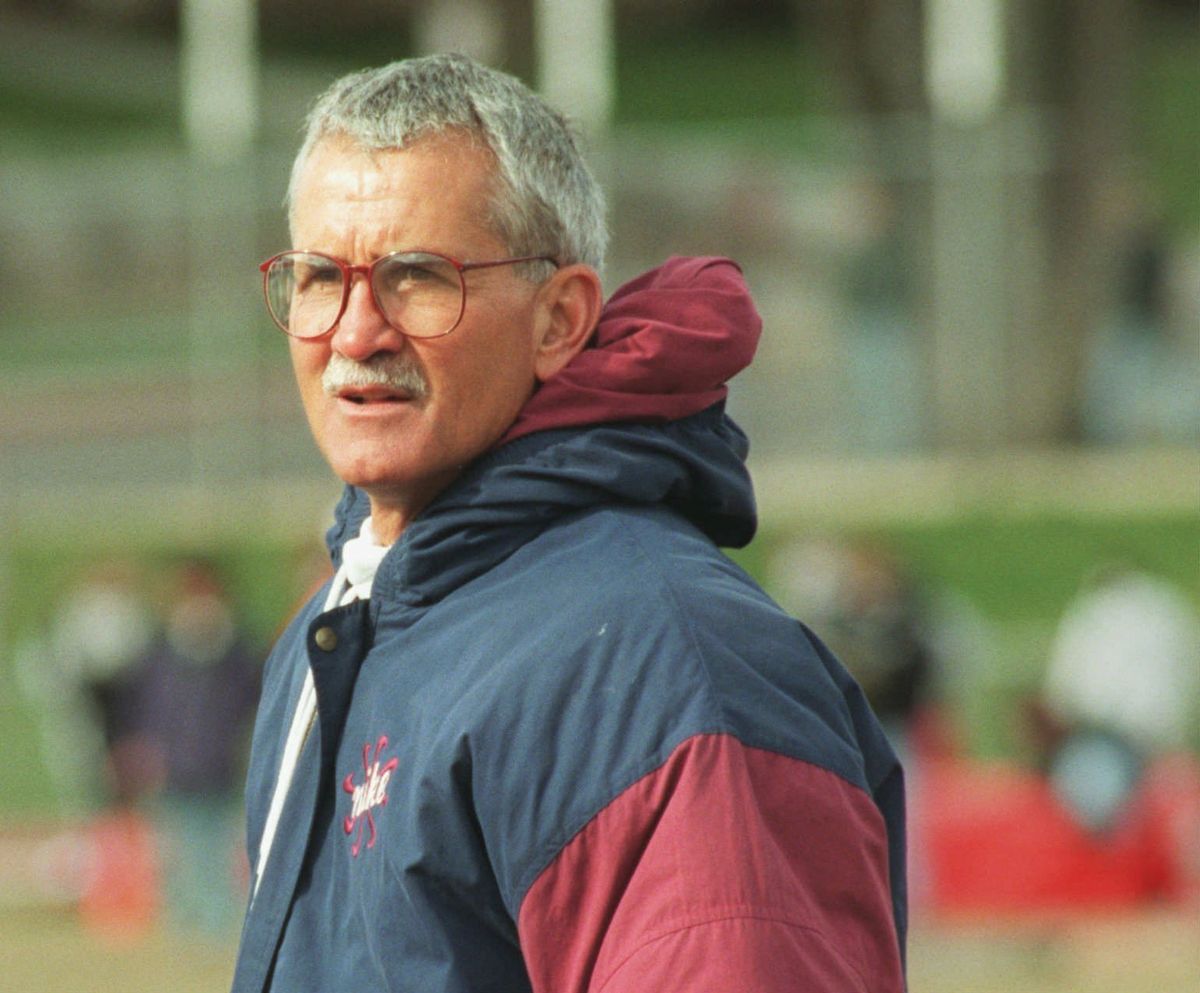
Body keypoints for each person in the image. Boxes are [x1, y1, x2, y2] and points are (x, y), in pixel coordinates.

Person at [232, 53, 906, 993]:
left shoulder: (668, 668)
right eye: (317, 277)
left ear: (559, 319)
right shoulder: (339, 626)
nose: (355, 331)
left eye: (417, 277)